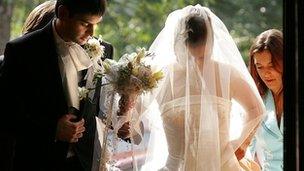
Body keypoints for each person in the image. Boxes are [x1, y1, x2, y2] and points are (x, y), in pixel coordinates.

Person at [0, 0, 127, 170]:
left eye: (96, 24)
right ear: (63, 13)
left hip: (85, 162)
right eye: (85, 23)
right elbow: (6, 114)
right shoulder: (22, 51)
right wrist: (52, 129)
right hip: (37, 161)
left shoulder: (104, 50)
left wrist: (119, 122)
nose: (91, 32)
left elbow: (96, 108)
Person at [137, 5, 265, 170]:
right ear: (179, 47)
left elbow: (256, 109)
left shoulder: (227, 74)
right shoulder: (160, 77)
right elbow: (132, 115)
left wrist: (241, 143)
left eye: (203, 57)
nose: (198, 65)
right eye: (191, 57)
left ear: (211, 44)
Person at [248, 29, 283, 171]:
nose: (266, 73)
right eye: (259, 67)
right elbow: (247, 148)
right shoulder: (257, 100)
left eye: (272, 65)